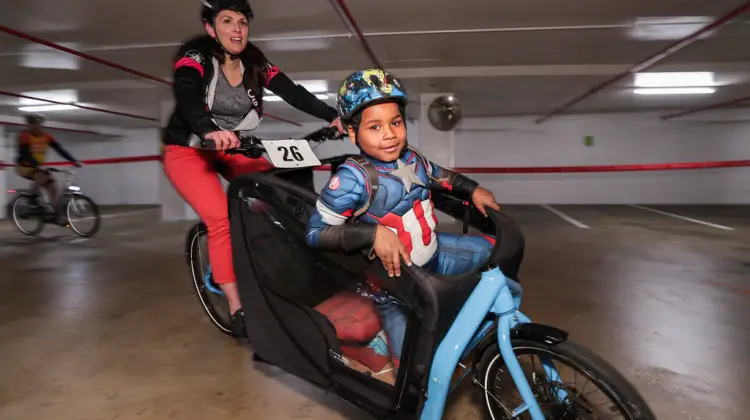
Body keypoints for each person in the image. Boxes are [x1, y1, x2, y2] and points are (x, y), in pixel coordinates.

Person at [161, 0, 343, 338]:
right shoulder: (197, 54)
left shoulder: (255, 61)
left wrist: (330, 116)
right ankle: (236, 307)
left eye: (242, 22)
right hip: (188, 150)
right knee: (219, 221)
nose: (236, 29)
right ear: (211, 28)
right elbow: (186, 91)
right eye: (227, 21)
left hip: (231, 147)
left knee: (277, 180)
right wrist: (206, 127)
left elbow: (291, 90)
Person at [305, 69, 500, 368]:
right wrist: (371, 234)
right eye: (374, 127)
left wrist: (473, 190)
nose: (389, 134)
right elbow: (315, 233)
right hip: (395, 287)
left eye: (395, 122)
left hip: (436, 256)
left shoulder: (412, 158)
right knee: (412, 367)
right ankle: (379, 345)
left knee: (494, 254)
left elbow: (442, 176)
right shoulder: (351, 179)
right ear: (352, 132)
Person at [15, 113, 82, 218]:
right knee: (40, 176)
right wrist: (37, 165)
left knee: (53, 186)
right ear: (30, 125)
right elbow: (25, 154)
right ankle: (32, 198)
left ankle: (53, 212)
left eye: (39, 124)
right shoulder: (24, 136)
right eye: (34, 124)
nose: (38, 127)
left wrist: (73, 160)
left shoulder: (46, 137)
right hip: (24, 165)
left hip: (38, 166)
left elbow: (59, 149)